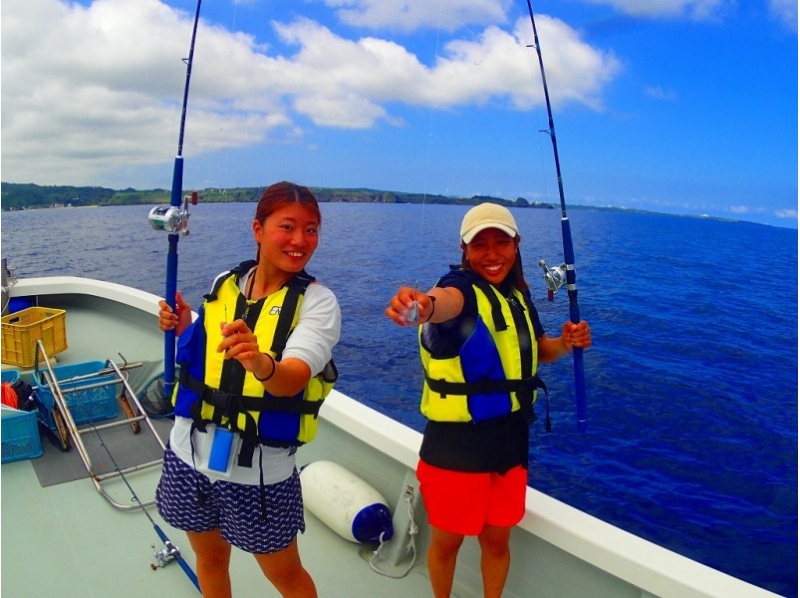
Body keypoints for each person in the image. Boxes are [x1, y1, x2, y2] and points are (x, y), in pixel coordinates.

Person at [386, 202, 591, 598]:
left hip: (511, 441)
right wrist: (420, 307)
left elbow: (535, 353)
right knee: (447, 544)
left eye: (501, 242)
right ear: (465, 250)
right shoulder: (458, 289)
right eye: (480, 245)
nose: (492, 254)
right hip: (456, 446)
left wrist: (565, 343)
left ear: (517, 245)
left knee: (497, 542)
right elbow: (438, 303)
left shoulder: (517, 296)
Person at [155, 181, 340, 598]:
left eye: (311, 230)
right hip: (188, 453)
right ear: (258, 229)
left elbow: (293, 376)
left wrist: (261, 362)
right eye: (287, 227)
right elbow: (206, 352)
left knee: (286, 576)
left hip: (258, 472)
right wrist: (182, 322)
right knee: (210, 558)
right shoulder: (226, 282)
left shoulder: (318, 303)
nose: (300, 241)